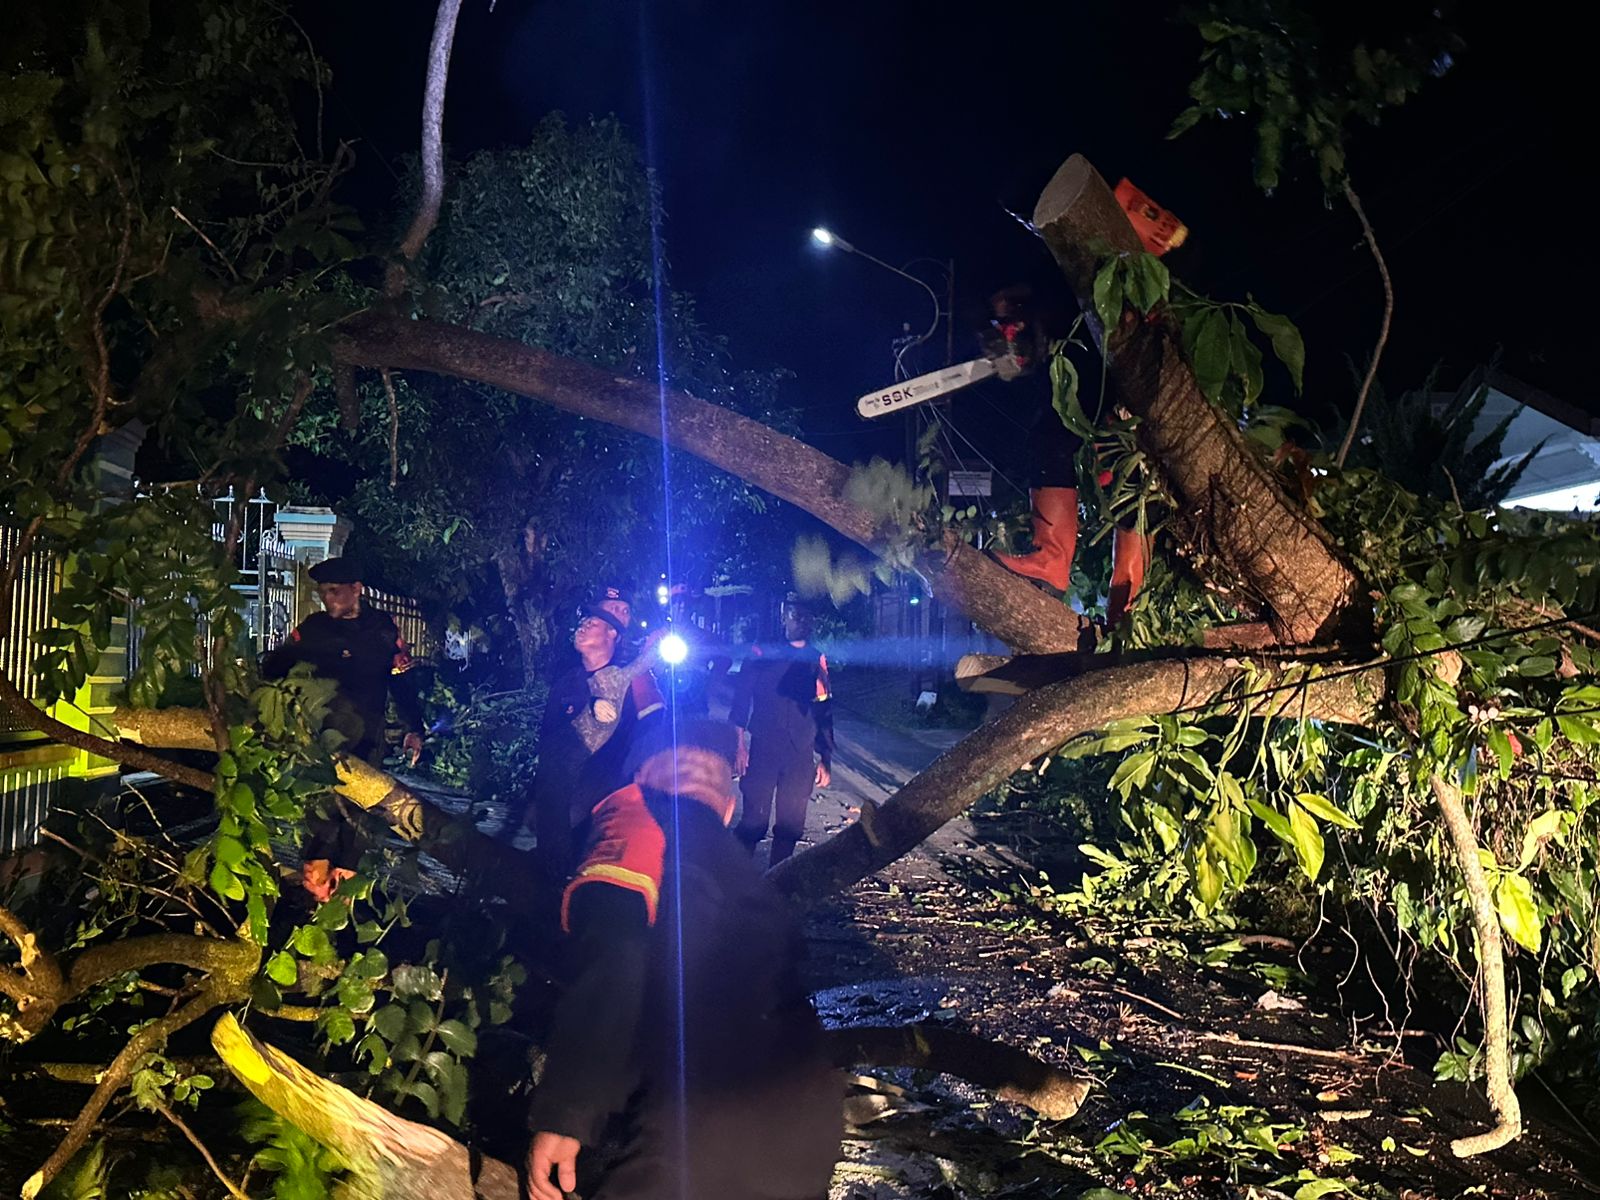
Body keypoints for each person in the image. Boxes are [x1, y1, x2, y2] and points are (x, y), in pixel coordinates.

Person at [525, 721, 842, 1200]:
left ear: (639, 778)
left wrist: (566, 1113)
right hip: (805, 1127)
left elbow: (619, 960)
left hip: (703, 1134)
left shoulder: (633, 825)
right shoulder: (738, 873)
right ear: (729, 806)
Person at [260, 556, 425, 901]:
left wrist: (414, 727)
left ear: (356, 590)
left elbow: (402, 679)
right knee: (322, 809)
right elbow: (274, 668)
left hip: (368, 734)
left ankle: (347, 883)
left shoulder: (383, 629)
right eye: (323, 591)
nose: (327, 598)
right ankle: (316, 884)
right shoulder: (314, 629)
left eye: (335, 591)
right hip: (322, 736)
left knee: (366, 808)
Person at [984, 284, 1149, 626]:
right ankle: (1122, 608)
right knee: (1120, 475)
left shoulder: (1068, 280)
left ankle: (1123, 605)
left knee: (1120, 473)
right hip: (1096, 354)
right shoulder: (1050, 294)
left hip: (1114, 357)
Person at [505, 597, 661, 871]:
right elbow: (548, 744)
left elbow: (654, 734)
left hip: (607, 802)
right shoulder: (566, 683)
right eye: (583, 622)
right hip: (561, 802)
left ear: (613, 633)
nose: (581, 627)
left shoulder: (633, 682)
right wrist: (535, 798)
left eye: (591, 623)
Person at [729, 600, 834, 866]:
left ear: (809, 623)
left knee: (790, 826)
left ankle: (776, 884)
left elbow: (823, 708)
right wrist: (738, 744)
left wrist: (826, 757)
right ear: (784, 620)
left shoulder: (816, 659)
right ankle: (735, 879)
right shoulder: (763, 654)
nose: (796, 622)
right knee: (754, 820)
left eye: (802, 618)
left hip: (801, 751)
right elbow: (741, 698)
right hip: (765, 746)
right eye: (792, 617)